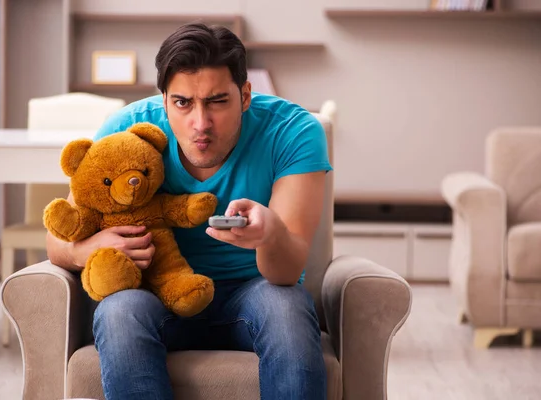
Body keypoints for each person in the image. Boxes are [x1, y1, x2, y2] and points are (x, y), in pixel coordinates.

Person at [46, 22, 332, 400]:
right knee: (119, 311)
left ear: (246, 95)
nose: (201, 123)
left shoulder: (293, 131)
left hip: (257, 289)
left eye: (218, 101)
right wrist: (85, 249)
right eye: (183, 103)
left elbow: (286, 271)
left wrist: (272, 235)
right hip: (156, 295)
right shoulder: (128, 130)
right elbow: (56, 241)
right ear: (164, 100)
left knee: (287, 307)